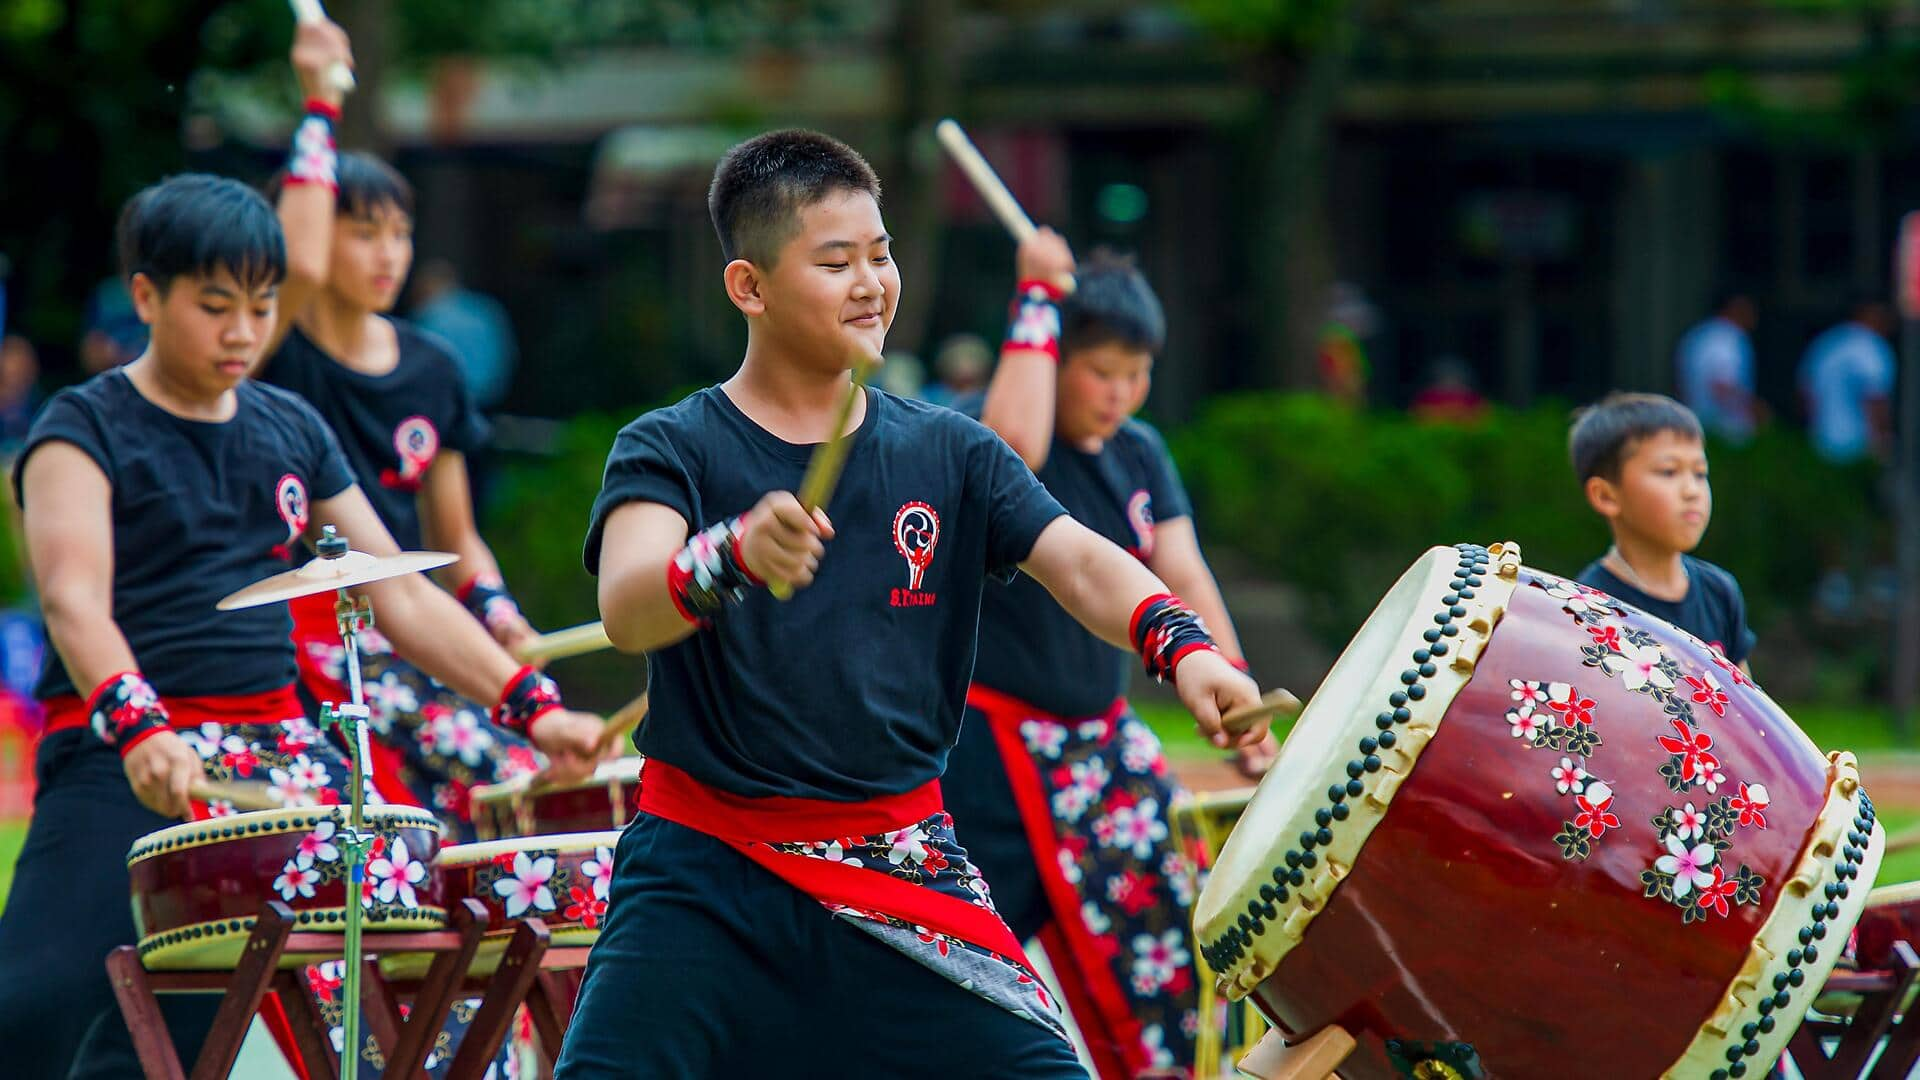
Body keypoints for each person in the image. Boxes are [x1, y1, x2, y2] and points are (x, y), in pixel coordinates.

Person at [553, 129, 1269, 1078]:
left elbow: (1086, 564)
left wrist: (1188, 648)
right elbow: (628, 608)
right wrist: (726, 554)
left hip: (900, 864)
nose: (872, 283)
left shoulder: (951, 452)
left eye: (882, 255)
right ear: (748, 287)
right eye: (836, 261)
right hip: (703, 868)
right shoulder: (671, 446)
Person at [0, 169, 602, 1078]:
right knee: (35, 1003)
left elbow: (399, 595)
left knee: (390, 985)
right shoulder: (80, 430)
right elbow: (74, 601)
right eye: (214, 306)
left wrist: (532, 708)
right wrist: (140, 728)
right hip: (125, 748)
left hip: (282, 757)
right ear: (146, 296)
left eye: (260, 304)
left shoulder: (290, 426)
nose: (243, 332)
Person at [944, 236, 1273, 1078]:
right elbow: (1010, 444)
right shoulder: (1005, 439)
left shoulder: (1141, 452)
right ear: (1051, 357)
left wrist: (1234, 689)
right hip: (989, 753)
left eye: (1138, 372)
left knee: (1179, 948)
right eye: (1101, 370)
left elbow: (1183, 572)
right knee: (957, 962)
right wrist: (1036, 301)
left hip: (1106, 748)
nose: (1121, 393)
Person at [258, 38, 560, 841]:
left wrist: (494, 613)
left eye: (399, 232)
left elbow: (454, 542)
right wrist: (319, 102)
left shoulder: (433, 368)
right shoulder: (267, 352)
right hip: (297, 635)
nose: (388, 253)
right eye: (363, 233)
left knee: (521, 782)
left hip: (407, 618)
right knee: (405, 814)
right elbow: (286, 262)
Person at [1570, 392, 1756, 673]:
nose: (1692, 491)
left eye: (1699, 473)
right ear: (1606, 496)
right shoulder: (1590, 604)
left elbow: (1744, 708)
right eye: (1669, 472)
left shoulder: (1719, 592)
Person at [411, 257, 518, 412]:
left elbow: (417, 364)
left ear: (428, 287)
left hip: (446, 401)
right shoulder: (487, 309)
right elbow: (508, 353)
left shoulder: (428, 316)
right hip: (490, 396)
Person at [1799, 297, 1896, 465]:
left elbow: (1806, 391)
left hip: (1821, 443)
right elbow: (1875, 398)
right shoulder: (1871, 346)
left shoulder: (1827, 342)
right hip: (1859, 446)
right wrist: (1883, 439)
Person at [1675, 291, 1760, 444]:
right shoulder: (1728, 337)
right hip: (1726, 432)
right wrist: (1755, 409)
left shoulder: (1698, 334)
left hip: (1696, 423)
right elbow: (1722, 386)